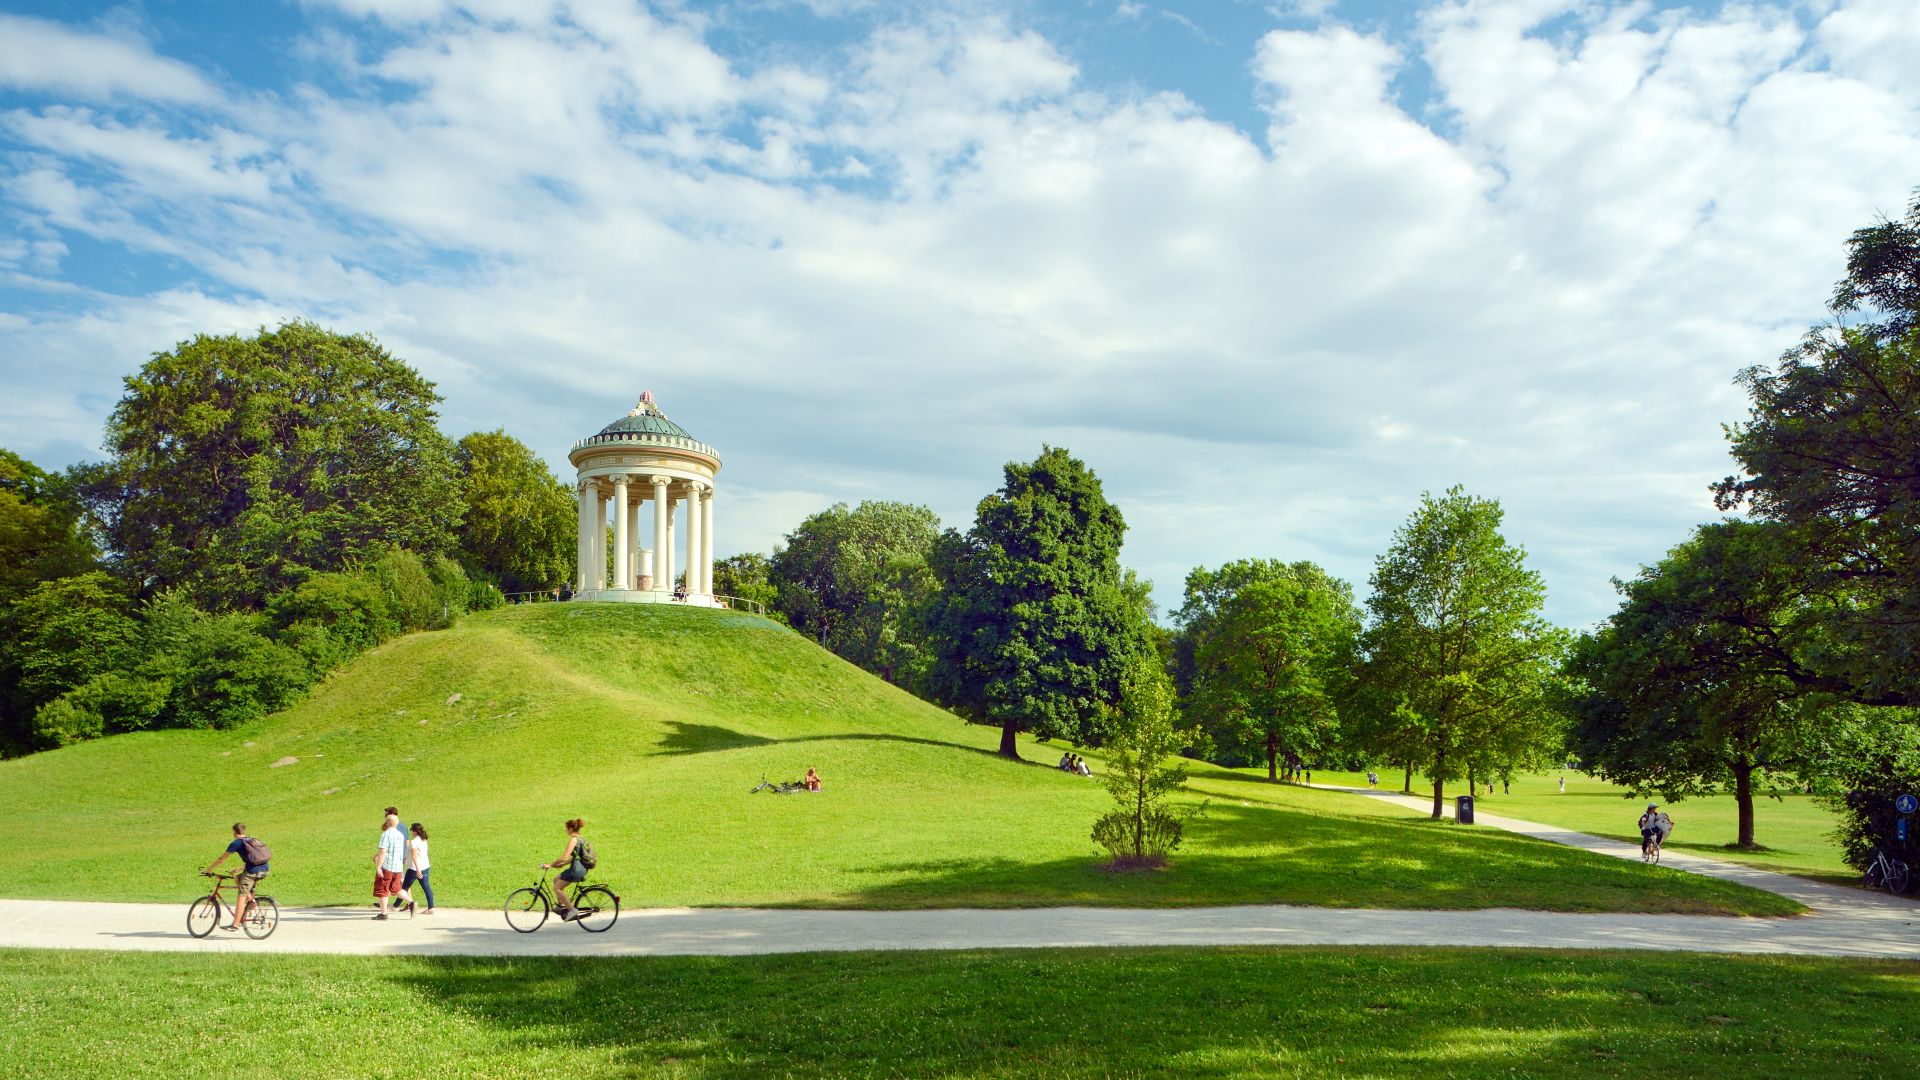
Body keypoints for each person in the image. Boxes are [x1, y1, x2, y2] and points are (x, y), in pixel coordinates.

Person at [205, 822, 269, 933]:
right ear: (244, 831)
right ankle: (251, 901)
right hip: (264, 869)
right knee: (239, 879)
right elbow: (254, 860)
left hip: (252, 872)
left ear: (235, 832)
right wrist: (237, 870)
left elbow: (222, 859)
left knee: (241, 896)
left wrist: (209, 869)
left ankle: (235, 925)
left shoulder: (237, 843)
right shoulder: (251, 840)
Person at [543, 818, 590, 918]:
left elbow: (564, 857)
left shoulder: (573, 840)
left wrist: (550, 865)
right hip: (580, 868)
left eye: (566, 828)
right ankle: (561, 906)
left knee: (557, 888)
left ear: (570, 829)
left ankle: (572, 911)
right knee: (555, 879)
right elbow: (574, 857)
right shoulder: (581, 839)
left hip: (576, 870)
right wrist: (562, 864)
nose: (565, 831)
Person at [373, 811, 408, 919]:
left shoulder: (386, 834)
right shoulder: (400, 835)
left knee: (382, 889)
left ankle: (383, 914)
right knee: (396, 888)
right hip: (397, 867)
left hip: (387, 866)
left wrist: (378, 866)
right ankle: (411, 902)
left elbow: (382, 852)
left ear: (388, 822)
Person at [402, 822, 434, 915]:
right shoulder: (424, 839)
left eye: (411, 830)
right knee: (427, 888)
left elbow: (415, 856)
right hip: (426, 866)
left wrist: (418, 870)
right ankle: (431, 908)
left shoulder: (414, 842)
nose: (411, 831)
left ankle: (397, 906)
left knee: (403, 888)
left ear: (415, 831)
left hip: (414, 869)